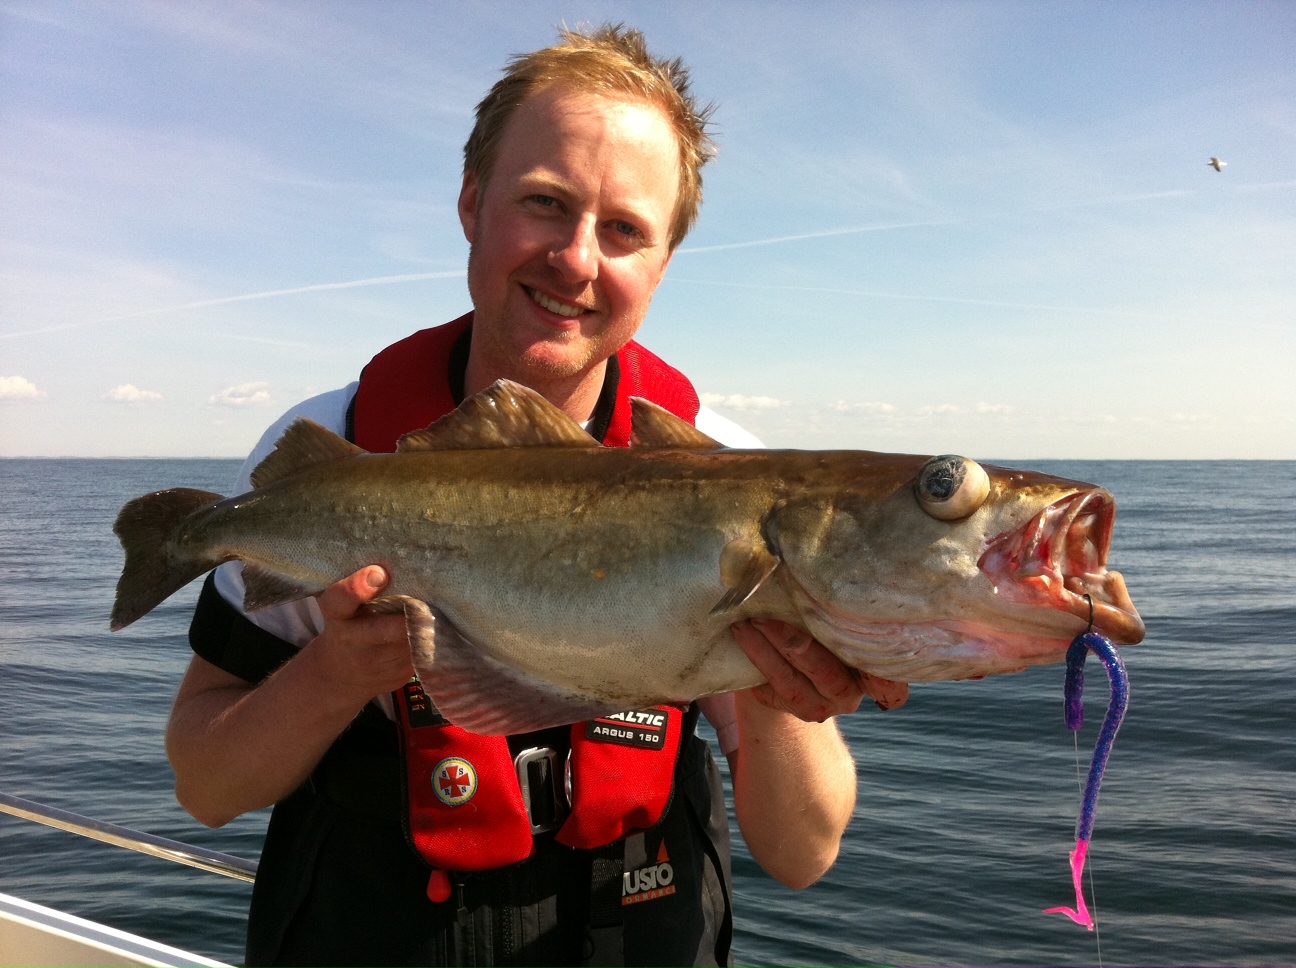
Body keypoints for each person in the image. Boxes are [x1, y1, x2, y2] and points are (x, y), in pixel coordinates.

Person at [166, 24, 904, 968]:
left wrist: (767, 681)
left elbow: (803, 854)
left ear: (665, 261)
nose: (578, 259)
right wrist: (338, 672)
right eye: (546, 203)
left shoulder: (735, 482)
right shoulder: (334, 454)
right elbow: (207, 787)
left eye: (626, 230)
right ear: (472, 203)